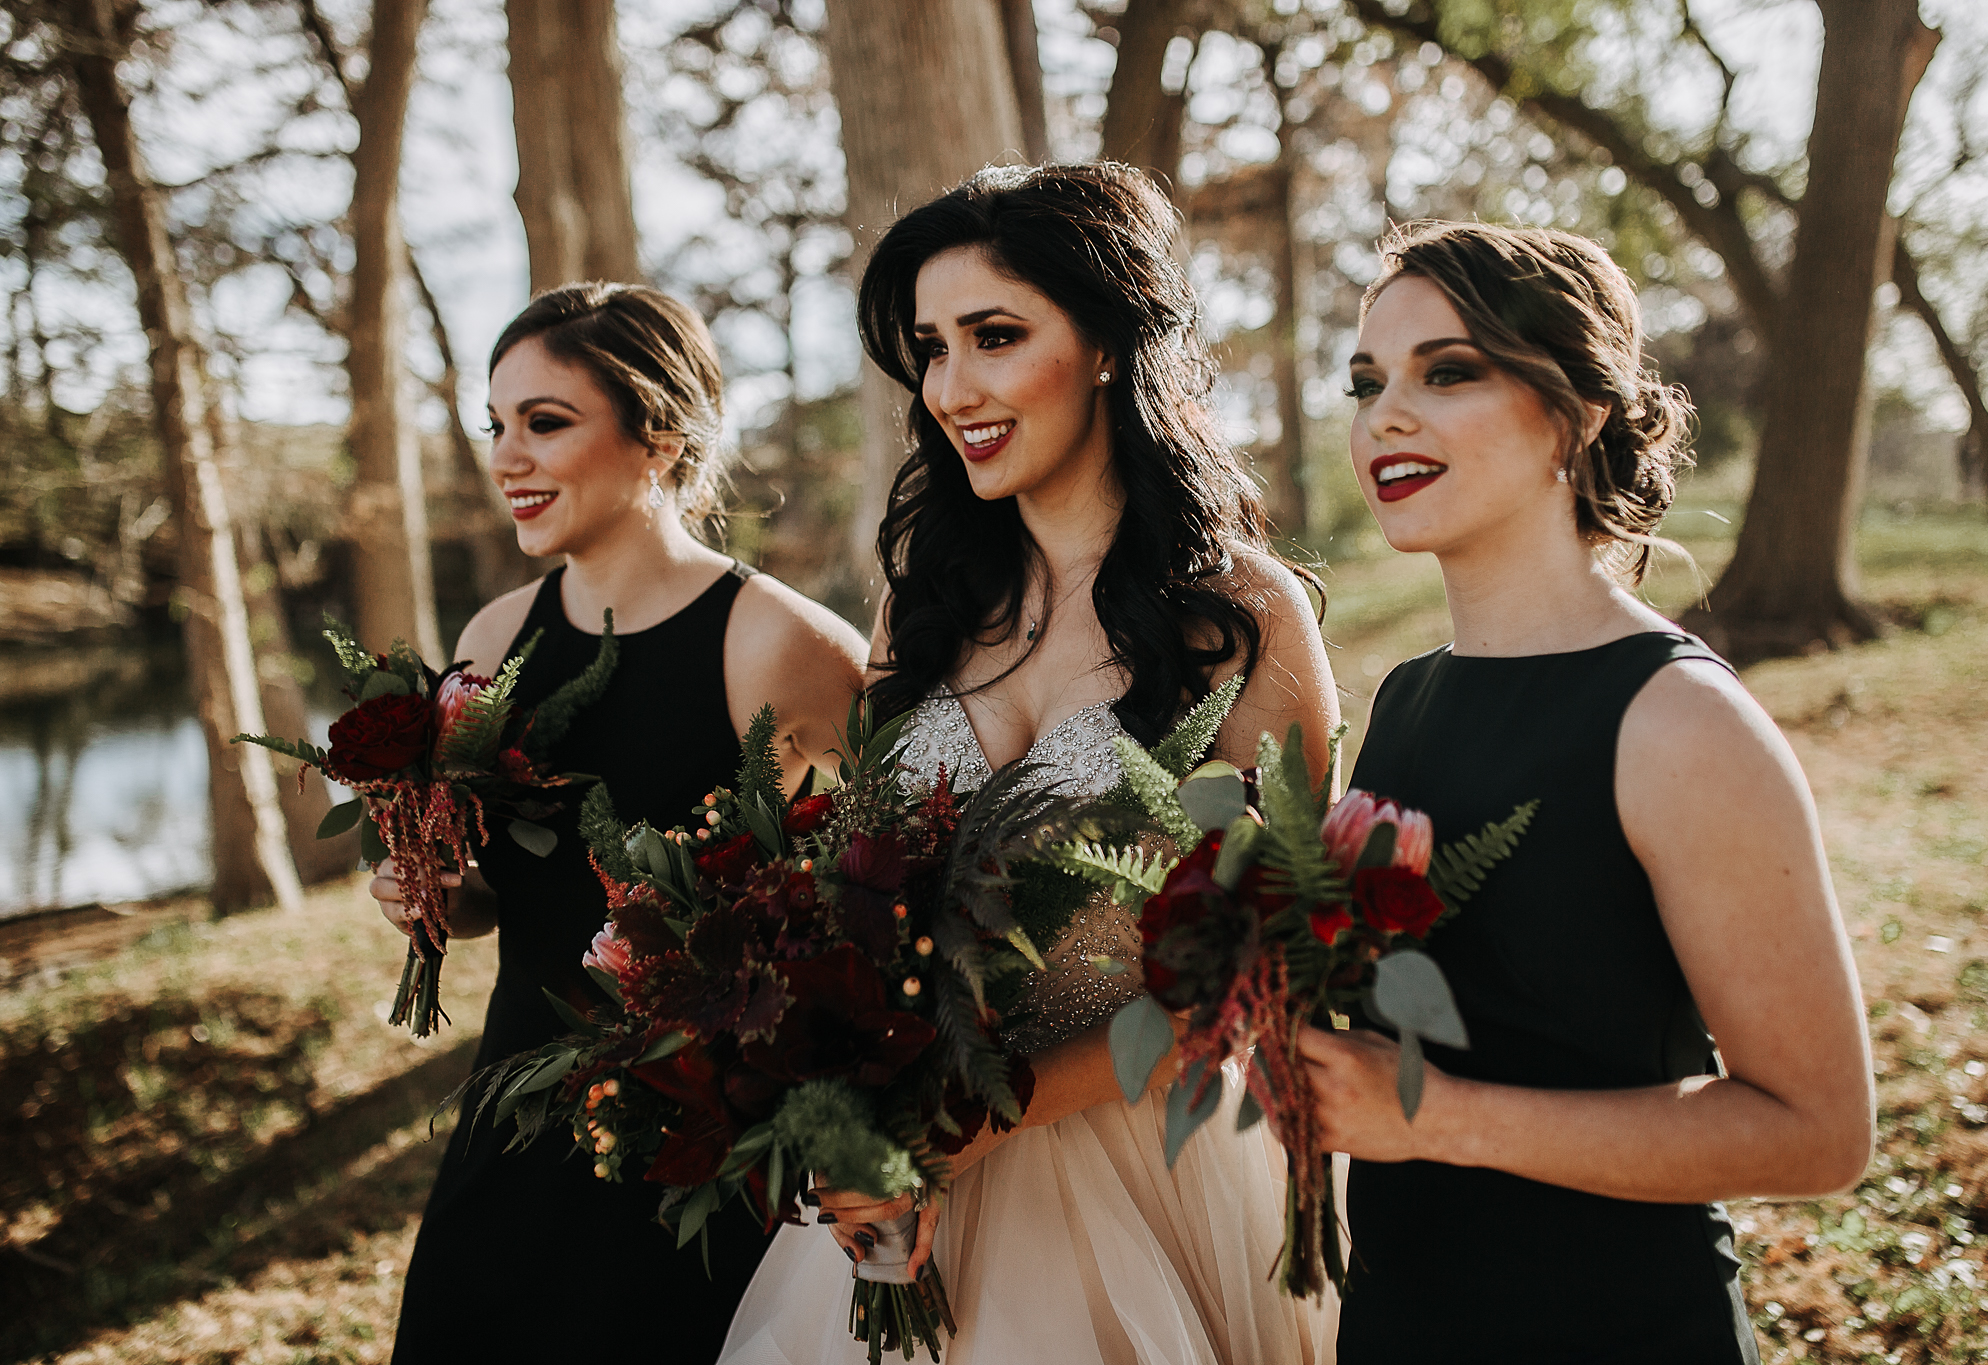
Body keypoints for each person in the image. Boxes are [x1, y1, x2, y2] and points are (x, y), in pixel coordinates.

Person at [719, 163, 1344, 1365]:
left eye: (994, 337)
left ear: (1108, 342)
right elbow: (870, 898)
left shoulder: (1241, 617)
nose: (953, 387)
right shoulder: (927, 612)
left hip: (1145, 1169)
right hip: (905, 1181)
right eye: (930, 349)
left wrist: (980, 1116)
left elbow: (1276, 958)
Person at [1298, 221, 1875, 1363]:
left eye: (1446, 371)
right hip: (1403, 1317)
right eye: (1367, 382)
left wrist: (1435, 1122)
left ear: (1579, 410)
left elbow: (1816, 1134)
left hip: (1608, 1327)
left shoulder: (1679, 724)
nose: (1384, 418)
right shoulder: (1404, 700)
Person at [371, 283, 868, 1363]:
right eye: (494, 426)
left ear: (661, 435)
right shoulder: (496, 633)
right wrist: (437, 893)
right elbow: (498, 899)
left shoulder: (778, 646)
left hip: (700, 1147)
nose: (507, 458)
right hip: (513, 1121)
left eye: (545, 423)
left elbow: (856, 933)